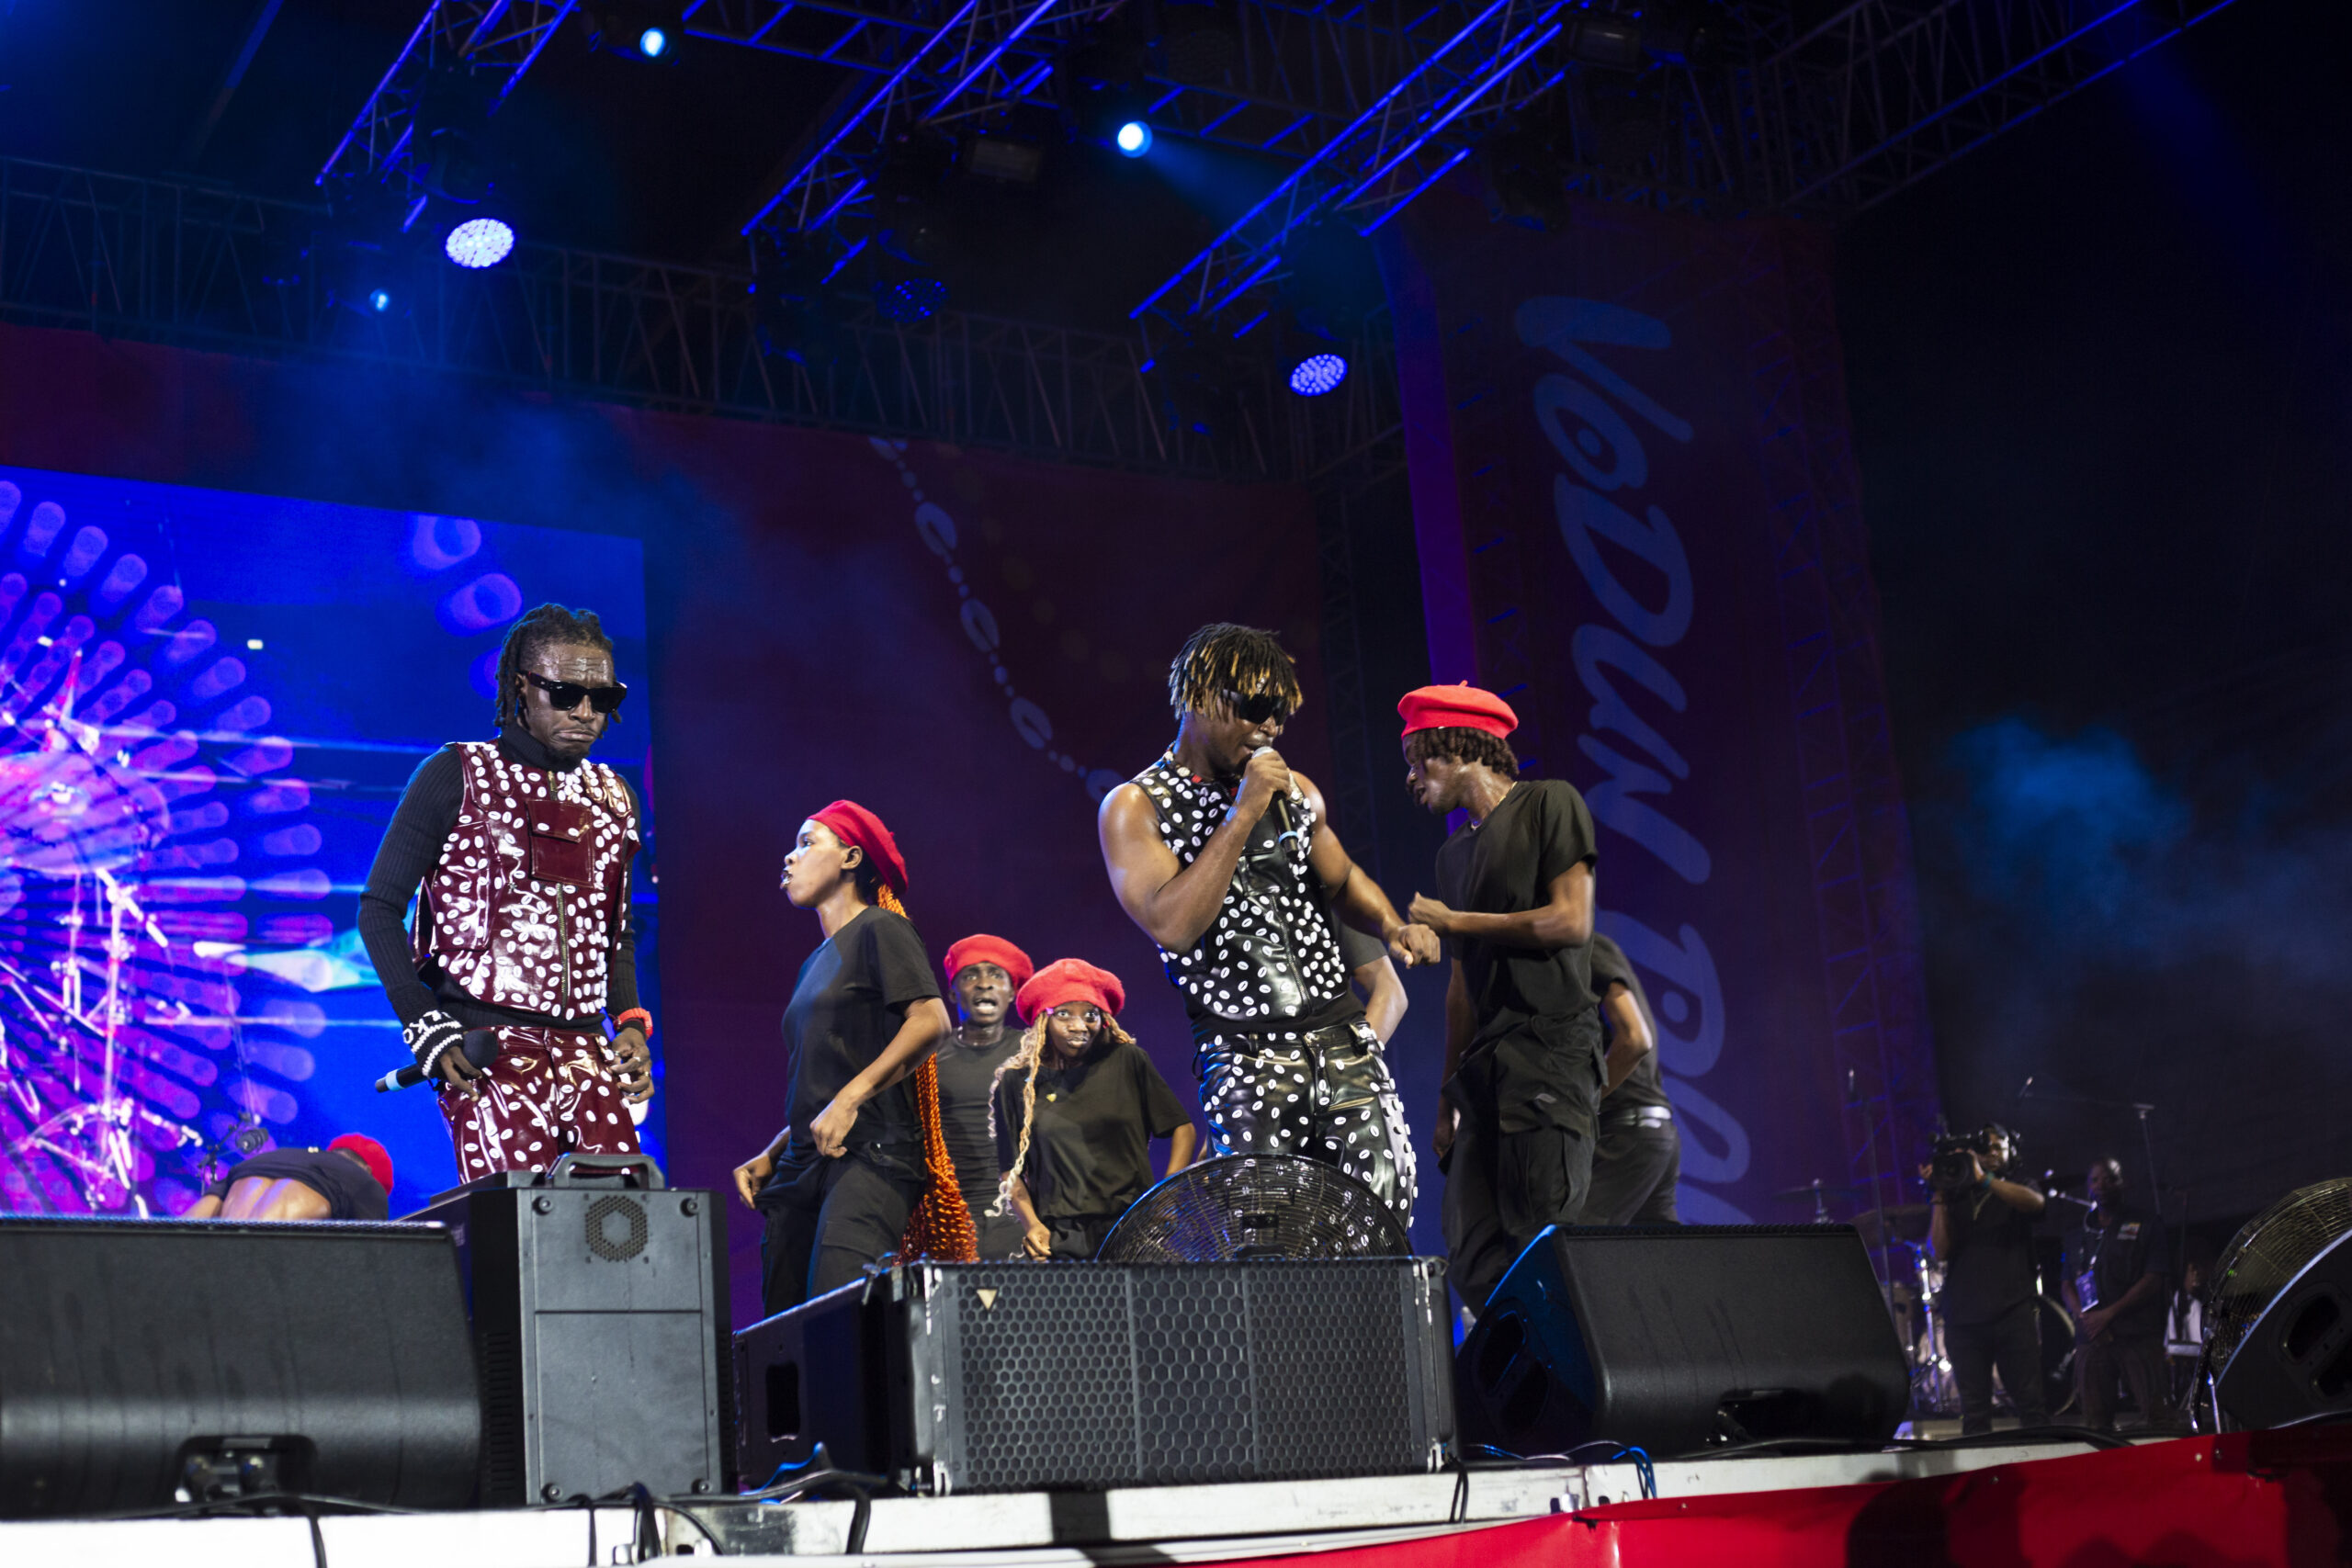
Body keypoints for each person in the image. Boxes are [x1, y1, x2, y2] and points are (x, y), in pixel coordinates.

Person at [1097, 623, 1437, 1231]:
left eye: (1280, 713)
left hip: (1344, 1041)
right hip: (1247, 1056)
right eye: (1257, 708)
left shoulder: (1297, 791)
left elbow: (1342, 877)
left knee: (1383, 1222)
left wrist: (1391, 925)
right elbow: (1173, 924)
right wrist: (1244, 810)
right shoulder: (1135, 805)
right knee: (1270, 1239)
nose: (1272, 727)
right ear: (1203, 696)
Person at [358, 604, 652, 1183]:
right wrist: (423, 1021)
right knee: (523, 1223)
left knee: (622, 1219)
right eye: (565, 694)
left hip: (588, 1051)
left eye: (603, 698)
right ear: (522, 686)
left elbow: (614, 933)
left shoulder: (616, 797)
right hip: (485, 1048)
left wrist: (630, 1023)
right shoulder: (455, 774)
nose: (586, 712)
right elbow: (379, 908)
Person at [1396, 682, 1600, 1308]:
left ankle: (1574, 1367)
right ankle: (1528, 1367)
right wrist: (1444, 1099)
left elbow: (1571, 919)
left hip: (1550, 1052)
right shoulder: (1453, 855)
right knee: (1472, 1255)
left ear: (1456, 747)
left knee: (1540, 1241)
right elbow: (1460, 990)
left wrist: (1455, 921)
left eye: (1416, 760)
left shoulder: (1550, 802)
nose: (1411, 778)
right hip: (1486, 1076)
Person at [729, 801, 969, 1314]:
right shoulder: (813, 964)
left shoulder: (882, 928)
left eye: (807, 842)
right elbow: (828, 1076)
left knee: (835, 1319)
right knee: (782, 1328)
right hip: (804, 1160)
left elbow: (931, 1020)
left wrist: (849, 1100)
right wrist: (776, 1149)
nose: (790, 857)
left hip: (870, 1154)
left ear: (851, 857)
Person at [991, 959, 1197, 1259]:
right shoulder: (1018, 1083)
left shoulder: (1127, 1061)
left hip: (1131, 1229)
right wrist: (1032, 1225)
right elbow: (1011, 1171)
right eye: (1064, 1014)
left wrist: (1165, 1198)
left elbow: (1182, 1128)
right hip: (1061, 1238)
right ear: (1043, 1020)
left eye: (1091, 1015)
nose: (1079, 1026)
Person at [1927, 1125, 2049, 1435]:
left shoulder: (2019, 1185)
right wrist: (1939, 1193)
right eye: (1986, 1148)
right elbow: (1940, 1250)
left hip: (2012, 1312)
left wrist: (1985, 1179)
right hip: (1964, 1318)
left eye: (1999, 1147)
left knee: (2031, 1405)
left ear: (2011, 1153)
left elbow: (2036, 1204)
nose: (1992, 1153)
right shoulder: (1956, 1194)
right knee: (1974, 1413)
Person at [935, 933, 1035, 1259]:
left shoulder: (1034, 1051)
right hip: (948, 1215)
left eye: (996, 975)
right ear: (953, 992)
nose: (984, 984)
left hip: (1019, 1215)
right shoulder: (928, 1054)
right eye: (970, 975)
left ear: (1012, 992)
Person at [1577, 931, 1679, 1225]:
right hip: (1650, 1133)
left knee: (1573, 1244)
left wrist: (1582, 1104)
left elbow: (1635, 1040)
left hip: (1627, 1134)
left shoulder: (1585, 946)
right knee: (1661, 1252)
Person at [2065, 1157, 2171, 1432]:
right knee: (2095, 1423)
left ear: (2124, 1183)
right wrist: (2084, 1317)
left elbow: (2154, 1278)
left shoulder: (2147, 1223)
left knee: (2159, 1417)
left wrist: (2109, 1314)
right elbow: (2066, 1283)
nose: (2101, 1185)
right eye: (2095, 1180)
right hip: (2092, 1337)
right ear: (2088, 1187)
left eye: (2109, 1178)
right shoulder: (2077, 1233)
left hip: (2136, 1334)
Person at [185, 1135, 393, 1221]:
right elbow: (371, 1257)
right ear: (367, 1170)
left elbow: (188, 1224)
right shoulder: (364, 1182)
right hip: (266, 1269)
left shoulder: (266, 1158)